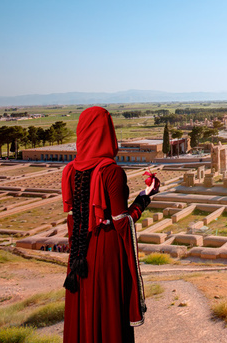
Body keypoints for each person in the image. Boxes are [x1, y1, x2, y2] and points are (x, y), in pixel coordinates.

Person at [62, 107, 159, 343]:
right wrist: (145, 197)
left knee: (84, 312)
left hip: (78, 255)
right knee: (107, 313)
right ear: (107, 132)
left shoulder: (70, 170)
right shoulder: (111, 172)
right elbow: (121, 221)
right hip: (104, 256)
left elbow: (77, 217)